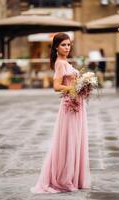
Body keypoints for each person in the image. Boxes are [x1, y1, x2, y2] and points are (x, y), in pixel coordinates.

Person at [30, 33, 91, 194]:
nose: (67, 47)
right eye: (63, 45)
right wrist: (75, 88)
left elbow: (69, 81)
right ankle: (63, 178)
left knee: (75, 140)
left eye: (69, 45)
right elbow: (56, 86)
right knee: (69, 141)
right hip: (69, 105)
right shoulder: (60, 63)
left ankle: (73, 177)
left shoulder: (65, 62)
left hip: (76, 103)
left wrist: (83, 85)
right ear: (56, 47)